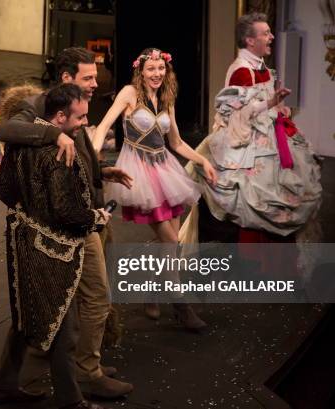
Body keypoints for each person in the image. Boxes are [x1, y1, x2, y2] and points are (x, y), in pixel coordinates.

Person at [0, 47, 134, 400]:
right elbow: (7, 130)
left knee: (51, 307)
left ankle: (75, 372)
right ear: (66, 79)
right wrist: (53, 135)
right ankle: (81, 379)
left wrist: (100, 171)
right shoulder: (42, 114)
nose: (94, 84)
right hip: (62, 231)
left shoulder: (75, 111)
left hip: (69, 224)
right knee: (65, 310)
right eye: (87, 78)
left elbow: (76, 160)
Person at [92, 48, 217, 330]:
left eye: (161, 68)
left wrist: (203, 161)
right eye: (151, 69)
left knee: (169, 244)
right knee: (171, 241)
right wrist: (93, 157)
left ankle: (152, 290)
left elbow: (176, 143)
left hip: (165, 170)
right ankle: (181, 305)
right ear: (141, 71)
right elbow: (103, 127)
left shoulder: (166, 98)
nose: (157, 74)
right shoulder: (128, 93)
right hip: (140, 172)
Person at [178, 12, 322, 250]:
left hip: (264, 134)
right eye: (266, 33)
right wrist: (271, 103)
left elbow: (264, 101)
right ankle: (251, 257)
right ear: (249, 41)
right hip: (243, 141)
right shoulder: (242, 71)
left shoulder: (261, 67)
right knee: (257, 195)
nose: (272, 36)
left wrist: (279, 107)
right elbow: (239, 114)